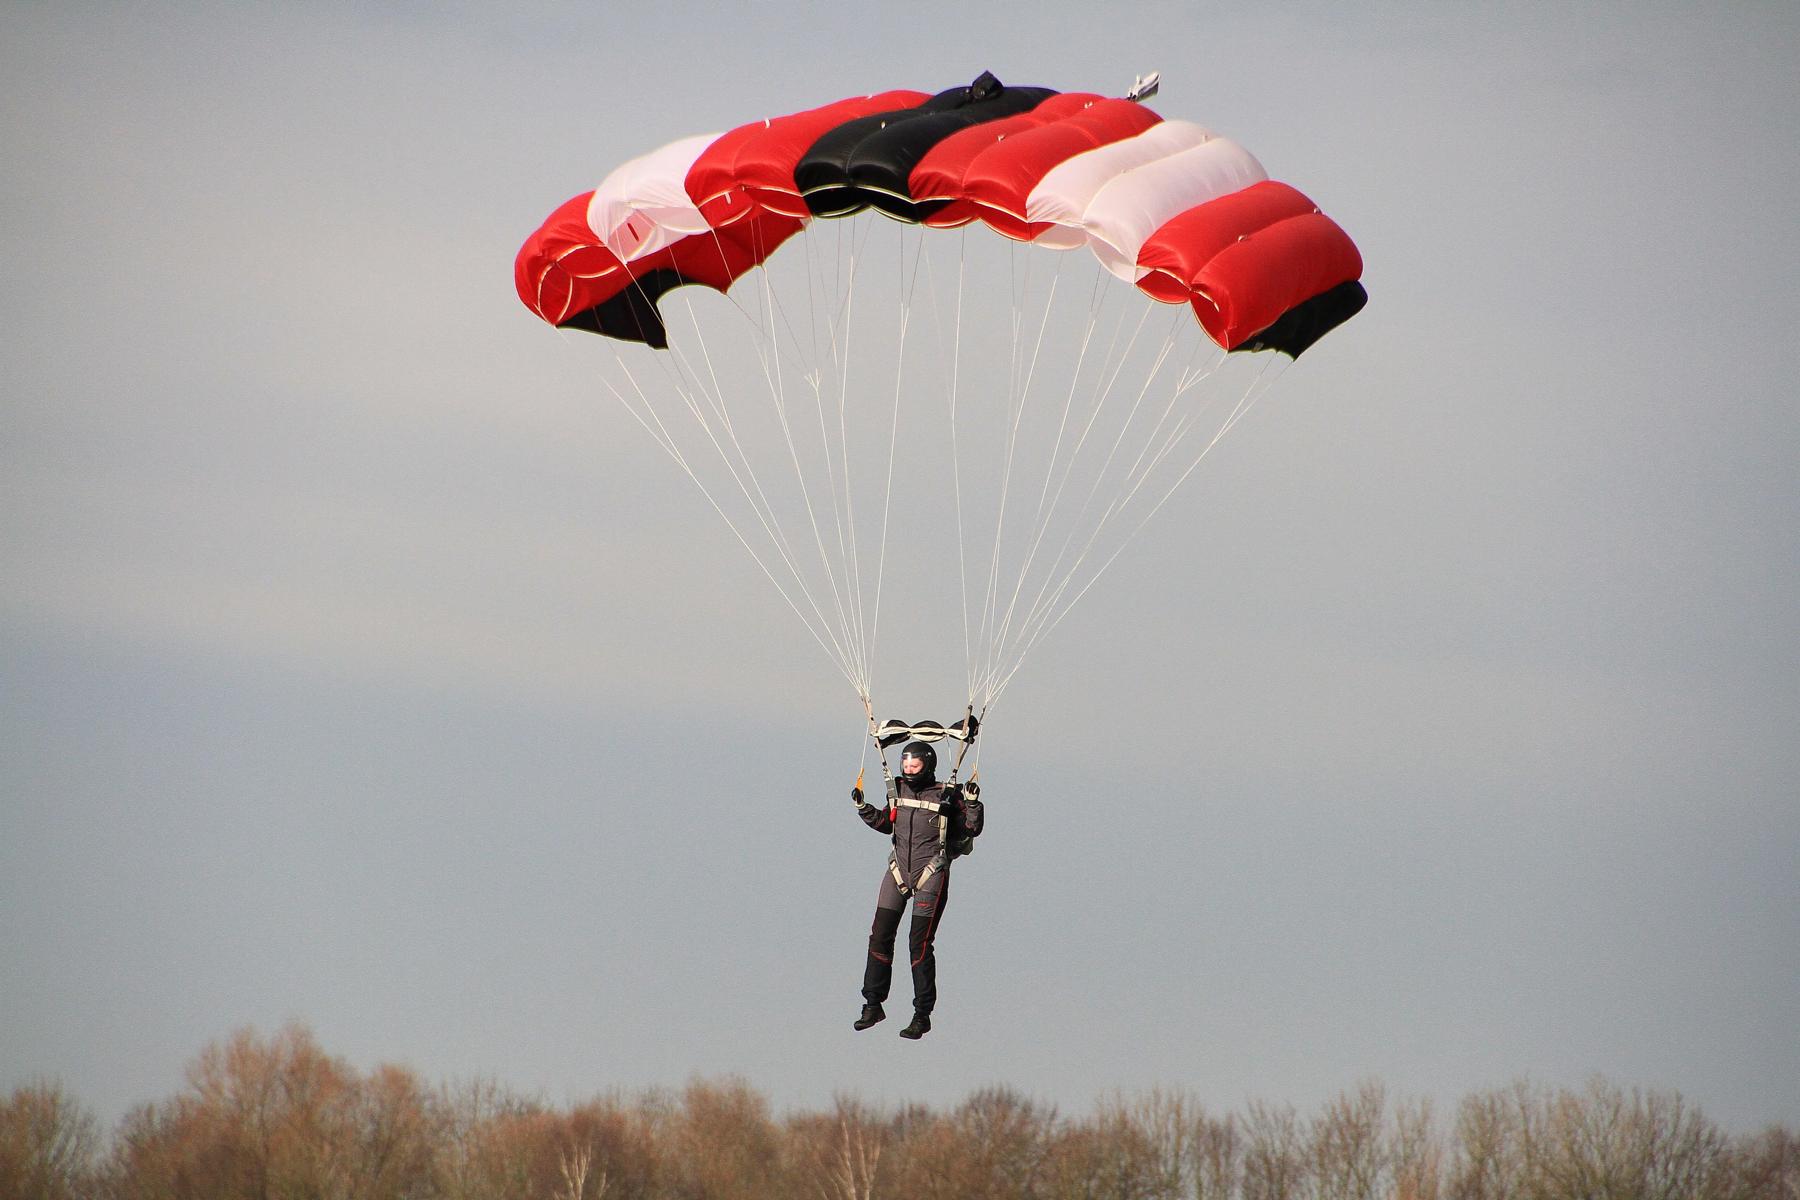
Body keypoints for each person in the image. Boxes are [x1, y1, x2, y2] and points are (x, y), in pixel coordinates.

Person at [850, 739, 983, 1038]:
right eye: (906, 765)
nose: (909, 770)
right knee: (879, 936)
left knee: (918, 944)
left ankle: (921, 1015)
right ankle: (873, 1005)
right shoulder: (898, 791)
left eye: (915, 765)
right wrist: (863, 808)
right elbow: (888, 823)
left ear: (928, 765)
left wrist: (973, 804)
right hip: (898, 871)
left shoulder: (947, 794)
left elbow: (971, 829)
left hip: (930, 873)